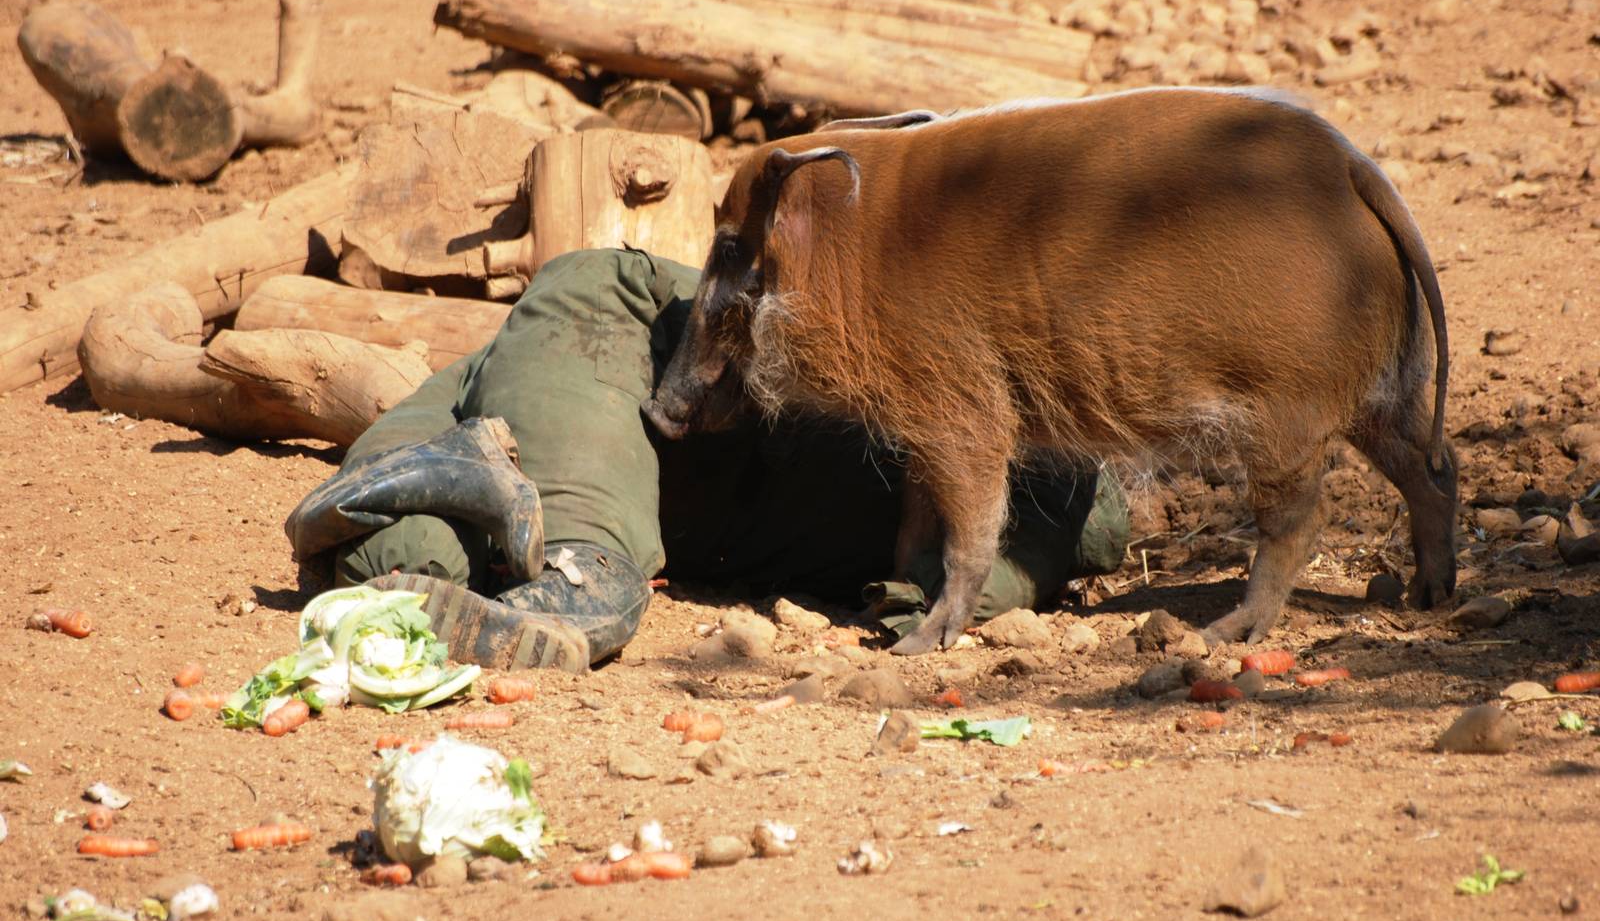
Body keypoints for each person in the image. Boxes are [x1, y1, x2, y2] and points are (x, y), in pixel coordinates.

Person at [284, 249, 1129, 670]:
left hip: (601, 381)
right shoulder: (1048, 507)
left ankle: (559, 544)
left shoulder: (1050, 498)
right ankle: (558, 545)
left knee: (373, 546)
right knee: (374, 540)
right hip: (624, 376)